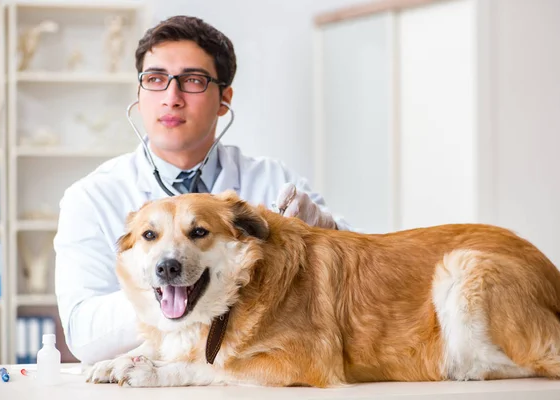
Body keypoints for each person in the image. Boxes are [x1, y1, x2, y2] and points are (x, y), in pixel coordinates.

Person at [53, 15, 352, 365]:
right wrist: (171, 282)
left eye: (192, 80)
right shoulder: (91, 197)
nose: (171, 97)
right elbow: (83, 336)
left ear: (224, 99)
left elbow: (355, 284)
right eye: (155, 79)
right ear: (138, 93)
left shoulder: (271, 178)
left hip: (254, 381)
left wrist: (326, 227)